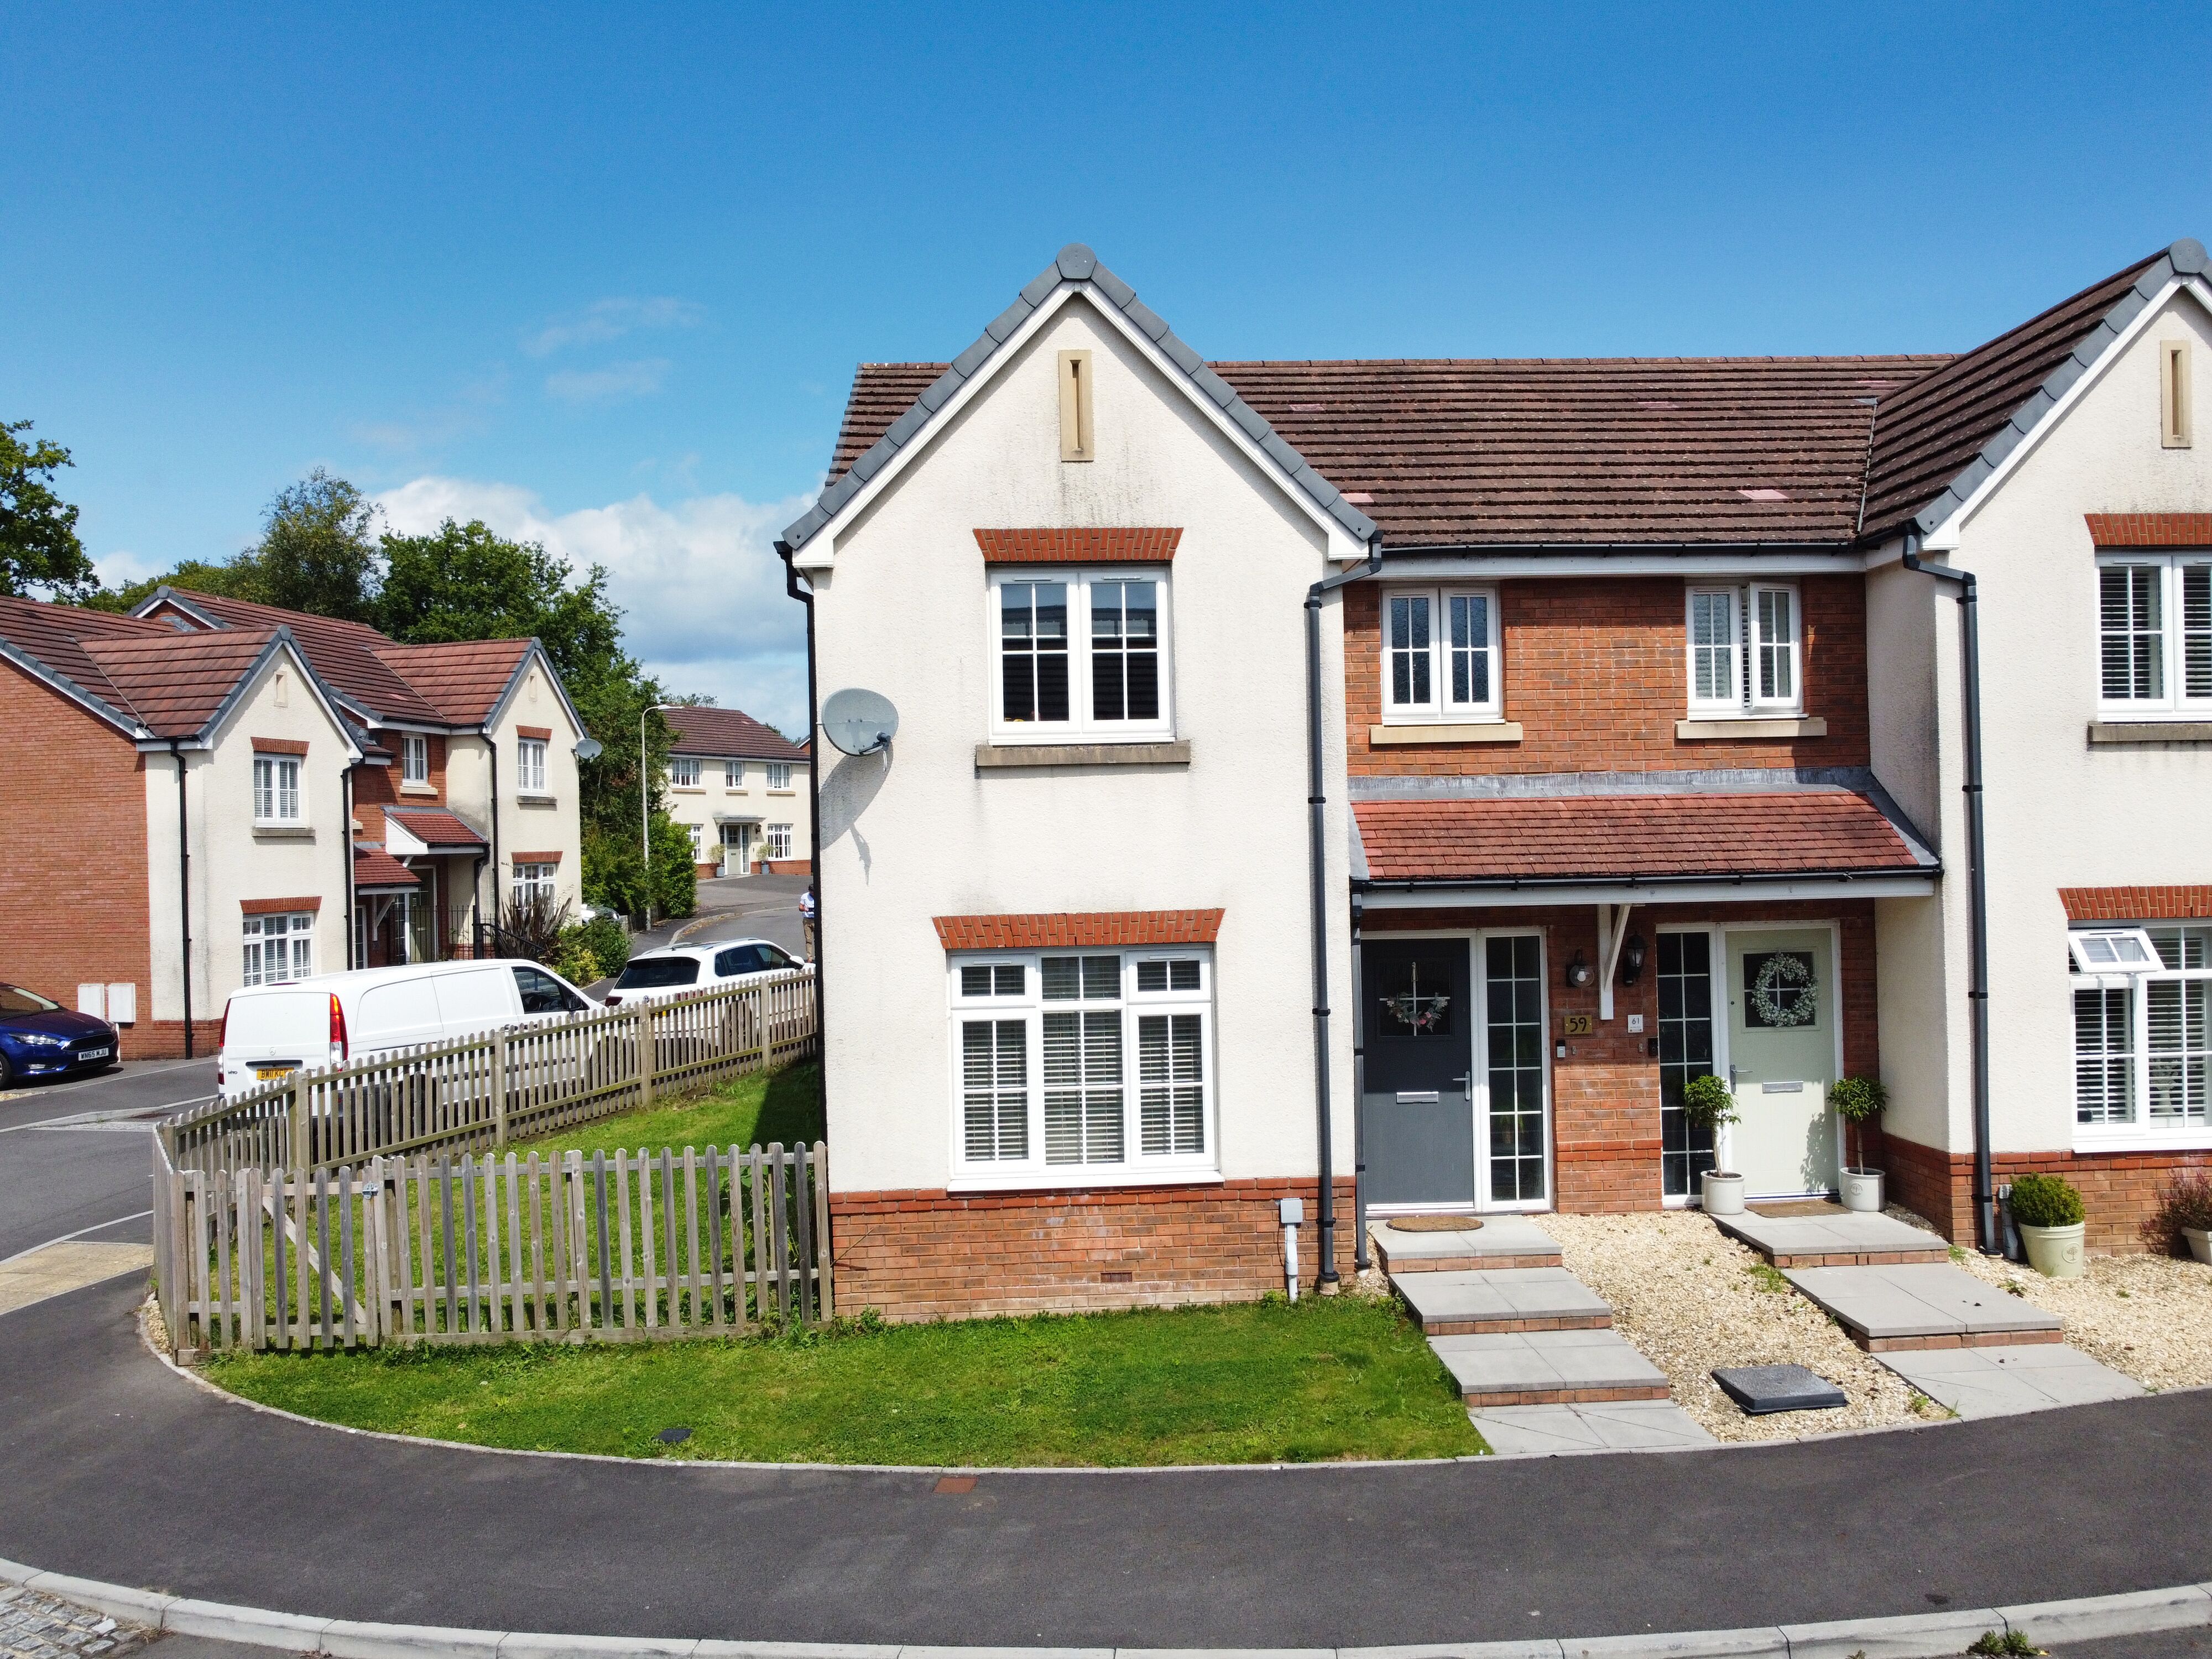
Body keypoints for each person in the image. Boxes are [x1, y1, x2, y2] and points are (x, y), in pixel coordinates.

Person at [799, 885, 816, 961]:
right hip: (807, 920)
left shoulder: (819, 895)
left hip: (816, 919)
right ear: (809, 891)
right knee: (808, 940)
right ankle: (810, 957)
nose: (813, 893)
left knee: (818, 939)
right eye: (811, 892)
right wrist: (805, 909)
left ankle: (818, 956)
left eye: (814, 892)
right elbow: (800, 907)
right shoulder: (805, 896)